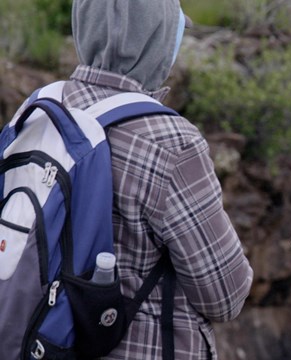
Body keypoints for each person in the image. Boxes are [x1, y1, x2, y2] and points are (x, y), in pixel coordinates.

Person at [31, 0, 253, 358]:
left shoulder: (39, 110)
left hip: (45, 344)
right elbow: (226, 296)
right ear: (157, 40)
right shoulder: (169, 140)